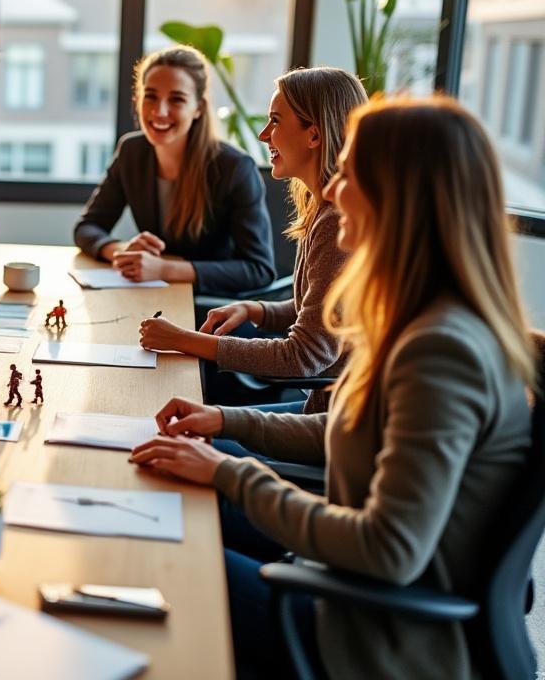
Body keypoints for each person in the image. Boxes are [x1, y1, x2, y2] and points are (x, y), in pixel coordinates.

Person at [129, 98, 537, 678]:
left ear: (402, 197)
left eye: (351, 174)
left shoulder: (440, 351)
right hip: (343, 582)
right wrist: (226, 423)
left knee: (167, 557)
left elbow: (388, 550)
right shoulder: (418, 317)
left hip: (371, 637)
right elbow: (349, 429)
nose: (335, 190)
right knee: (174, 498)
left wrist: (230, 471)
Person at [138, 67, 366, 414]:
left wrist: (184, 341)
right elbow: (323, 312)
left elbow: (304, 355)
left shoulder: (336, 223)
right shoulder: (323, 210)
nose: (263, 134)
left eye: (275, 121)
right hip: (321, 412)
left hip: (332, 426)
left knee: (183, 438)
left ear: (314, 135)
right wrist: (255, 310)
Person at [73, 46, 274, 295]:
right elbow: (87, 227)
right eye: (151, 96)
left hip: (211, 308)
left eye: (177, 99)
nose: (160, 111)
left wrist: (164, 269)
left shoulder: (234, 167)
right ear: (137, 101)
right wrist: (122, 250)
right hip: (154, 297)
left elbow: (259, 269)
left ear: (198, 107)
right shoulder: (131, 152)